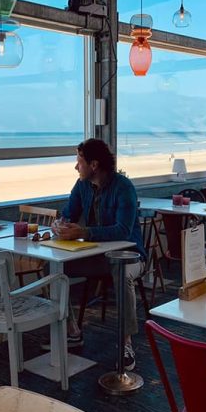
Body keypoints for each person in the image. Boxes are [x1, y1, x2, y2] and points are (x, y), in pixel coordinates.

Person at [53, 138, 146, 371]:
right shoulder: (81, 186)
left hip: (131, 256)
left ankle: (125, 343)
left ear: (93, 165)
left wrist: (84, 232)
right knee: (53, 267)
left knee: (121, 271)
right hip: (98, 256)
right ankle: (73, 331)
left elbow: (123, 231)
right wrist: (59, 224)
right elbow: (68, 213)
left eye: (79, 162)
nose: (76, 167)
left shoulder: (123, 187)